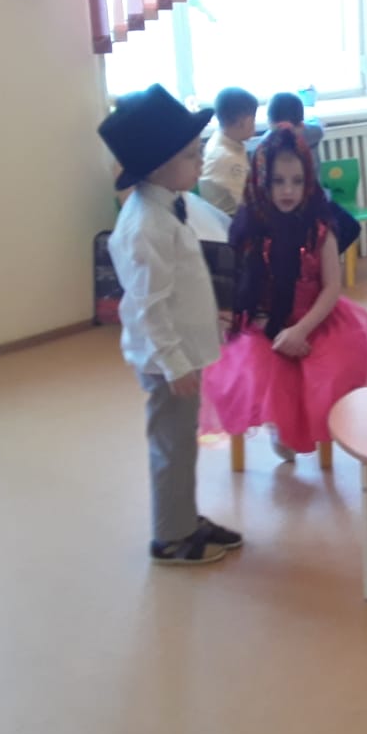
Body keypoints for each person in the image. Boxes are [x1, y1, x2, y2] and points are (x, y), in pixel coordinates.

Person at [100, 84, 243, 565]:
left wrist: (211, 315)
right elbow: (148, 305)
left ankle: (182, 517)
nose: (200, 160)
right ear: (158, 166)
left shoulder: (171, 206)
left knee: (181, 444)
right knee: (172, 447)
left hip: (180, 351)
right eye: (189, 155)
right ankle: (170, 538)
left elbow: (182, 283)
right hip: (167, 362)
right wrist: (174, 362)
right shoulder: (145, 224)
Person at [200, 129, 367, 461]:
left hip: (316, 320)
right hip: (263, 322)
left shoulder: (320, 227)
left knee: (329, 369)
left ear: (308, 181)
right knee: (258, 370)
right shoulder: (247, 228)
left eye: (297, 181)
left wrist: (300, 330)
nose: (288, 190)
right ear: (261, 181)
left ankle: (311, 426)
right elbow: (239, 290)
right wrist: (263, 326)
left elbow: (332, 287)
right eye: (278, 181)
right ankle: (280, 424)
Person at [260, 92, 363, 255]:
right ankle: (317, 259)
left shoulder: (265, 142)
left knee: (342, 229)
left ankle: (316, 259)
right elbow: (317, 125)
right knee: (348, 227)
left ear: (270, 122)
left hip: (302, 204)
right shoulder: (309, 132)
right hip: (310, 205)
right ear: (301, 124)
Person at [198, 86, 258, 215]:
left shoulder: (220, 138)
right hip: (229, 220)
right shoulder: (227, 159)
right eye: (253, 119)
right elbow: (251, 204)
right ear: (243, 122)